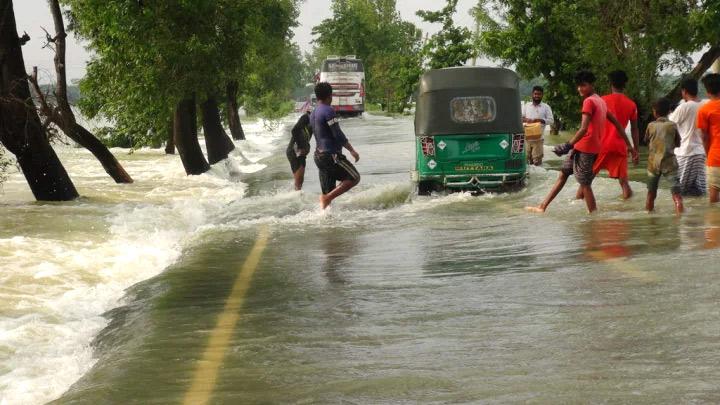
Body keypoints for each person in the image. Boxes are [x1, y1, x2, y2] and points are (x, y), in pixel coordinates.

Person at [526, 71, 628, 214]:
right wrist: (629, 145)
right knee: (563, 175)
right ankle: (542, 206)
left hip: (586, 148)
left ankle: (594, 216)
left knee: (585, 184)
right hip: (587, 147)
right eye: (578, 86)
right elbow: (617, 123)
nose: (580, 89)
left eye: (583, 85)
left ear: (592, 85)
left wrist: (567, 145)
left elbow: (583, 129)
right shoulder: (600, 100)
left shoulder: (589, 101)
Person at [586, 70, 639, 199]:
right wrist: (635, 150)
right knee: (624, 182)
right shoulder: (631, 104)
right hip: (620, 146)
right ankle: (627, 210)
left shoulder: (601, 100)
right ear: (625, 84)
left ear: (610, 83)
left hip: (601, 145)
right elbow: (634, 129)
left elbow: (589, 124)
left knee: (586, 181)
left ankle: (577, 205)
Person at [310, 82, 361, 209]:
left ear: (317, 96)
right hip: (330, 156)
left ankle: (326, 221)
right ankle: (327, 199)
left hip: (318, 156)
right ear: (330, 96)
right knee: (354, 177)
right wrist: (352, 150)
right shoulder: (328, 110)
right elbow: (337, 134)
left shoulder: (313, 113)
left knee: (328, 195)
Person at [645, 98, 684, 214]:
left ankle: (649, 219)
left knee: (650, 195)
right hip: (670, 163)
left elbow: (646, 141)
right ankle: (680, 220)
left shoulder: (650, 125)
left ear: (655, 112)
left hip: (653, 164)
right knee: (677, 196)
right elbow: (678, 143)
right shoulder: (672, 125)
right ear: (669, 112)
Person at [670, 78, 707, 196]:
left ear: (684, 91)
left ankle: (681, 213)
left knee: (679, 191)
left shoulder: (684, 107)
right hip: (701, 153)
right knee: (699, 190)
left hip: (686, 153)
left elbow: (669, 125)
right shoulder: (705, 105)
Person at [697, 73, 720, 204]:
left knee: (714, 202)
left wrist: (708, 154)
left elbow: (704, 137)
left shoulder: (704, 110)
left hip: (715, 158)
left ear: (707, 90)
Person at [522, 86, 554, 166]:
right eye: (535, 94)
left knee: (537, 163)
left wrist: (540, 120)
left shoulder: (546, 107)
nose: (537, 96)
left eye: (539, 94)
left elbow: (551, 121)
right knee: (525, 162)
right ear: (532, 94)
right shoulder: (526, 105)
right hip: (526, 138)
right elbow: (520, 118)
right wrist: (526, 119)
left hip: (538, 139)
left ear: (542, 95)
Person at [287, 109, 313, 190]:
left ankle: (295, 196)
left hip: (300, 153)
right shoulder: (306, 117)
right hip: (294, 151)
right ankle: (296, 198)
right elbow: (294, 130)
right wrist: (301, 147)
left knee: (299, 181)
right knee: (299, 181)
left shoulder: (314, 121)